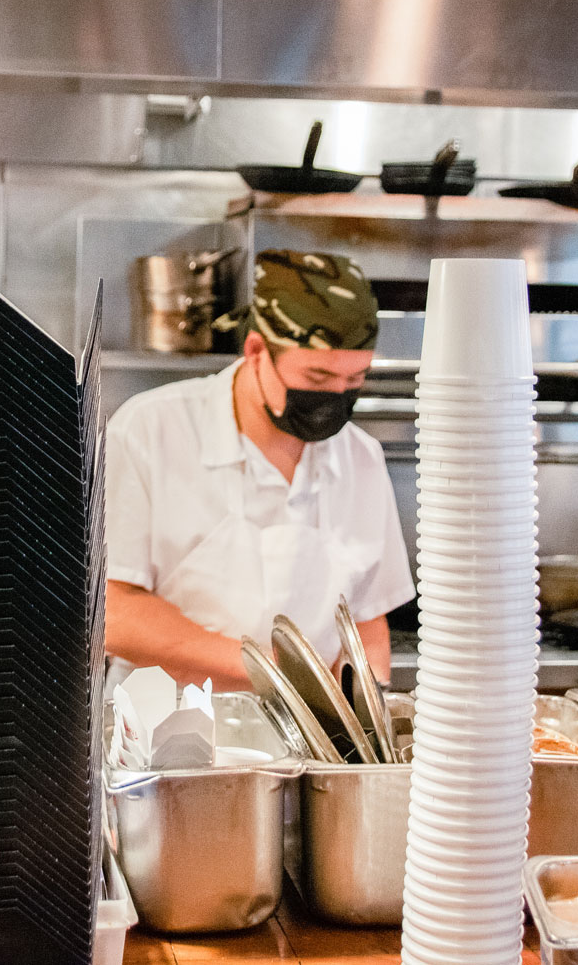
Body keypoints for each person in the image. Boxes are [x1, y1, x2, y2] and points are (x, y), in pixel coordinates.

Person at [104, 250, 414, 690]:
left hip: (310, 739)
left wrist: (362, 707)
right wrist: (275, 671)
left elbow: (367, 623)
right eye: (318, 377)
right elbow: (113, 613)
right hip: (166, 732)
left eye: (353, 381)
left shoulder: (360, 457)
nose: (334, 399)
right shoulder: (149, 430)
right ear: (255, 352)